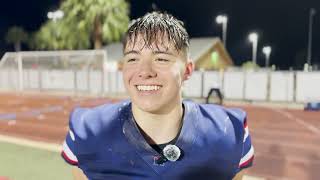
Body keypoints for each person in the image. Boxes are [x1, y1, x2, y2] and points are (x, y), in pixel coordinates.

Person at [61, 11, 254, 180]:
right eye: (133, 58)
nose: (144, 71)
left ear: (187, 70)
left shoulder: (229, 132)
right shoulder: (87, 130)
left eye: (161, 58)